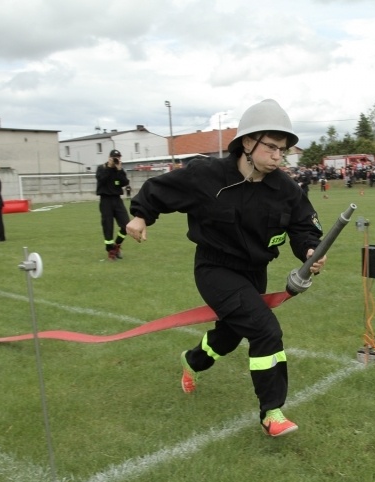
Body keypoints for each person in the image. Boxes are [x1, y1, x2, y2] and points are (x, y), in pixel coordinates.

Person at [126, 99, 326, 437]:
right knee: (265, 330)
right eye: (272, 147)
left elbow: (304, 227)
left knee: (231, 335)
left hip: (254, 273)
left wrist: (309, 249)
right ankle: (272, 412)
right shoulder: (207, 175)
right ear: (248, 142)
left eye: (284, 150)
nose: (279, 156)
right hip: (215, 269)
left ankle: (192, 361)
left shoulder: (286, 189)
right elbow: (161, 189)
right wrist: (141, 215)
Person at [96, 149, 130, 261]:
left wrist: (119, 170)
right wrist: (109, 167)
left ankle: (117, 245)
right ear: (109, 157)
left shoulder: (119, 170)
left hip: (117, 200)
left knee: (126, 225)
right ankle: (110, 251)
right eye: (115, 157)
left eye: (119, 157)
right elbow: (101, 179)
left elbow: (125, 182)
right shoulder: (101, 168)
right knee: (108, 227)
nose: (117, 159)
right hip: (105, 200)